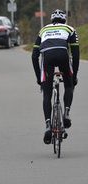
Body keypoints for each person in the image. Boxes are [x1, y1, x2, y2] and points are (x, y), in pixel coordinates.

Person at [32, 9, 80, 144]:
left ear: (52, 20)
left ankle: (48, 125)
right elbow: (76, 55)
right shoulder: (70, 29)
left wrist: (39, 78)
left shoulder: (43, 30)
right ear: (64, 20)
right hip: (63, 55)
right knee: (69, 85)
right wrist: (73, 76)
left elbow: (34, 56)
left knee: (46, 94)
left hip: (47, 58)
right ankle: (66, 113)